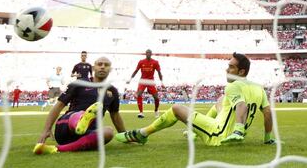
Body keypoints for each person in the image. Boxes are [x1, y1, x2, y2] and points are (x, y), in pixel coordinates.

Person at [115, 52, 275, 147]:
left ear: (241, 72)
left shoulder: (233, 86)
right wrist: (268, 139)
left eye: (231, 67)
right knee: (221, 101)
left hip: (219, 136)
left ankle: (142, 134)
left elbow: (241, 106)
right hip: (231, 133)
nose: (227, 69)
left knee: (177, 109)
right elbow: (268, 113)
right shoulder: (258, 88)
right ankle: (194, 132)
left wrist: (238, 129)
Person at [33, 57, 126, 154]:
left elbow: (115, 114)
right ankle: (81, 120)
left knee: (108, 132)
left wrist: (124, 136)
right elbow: (59, 105)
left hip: (88, 133)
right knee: (80, 114)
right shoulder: (79, 83)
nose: (102, 67)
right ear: (93, 68)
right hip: (66, 127)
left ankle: (57, 149)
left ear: (110, 69)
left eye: (106, 65)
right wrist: (46, 129)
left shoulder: (113, 91)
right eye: (100, 64)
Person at [127, 49, 163, 118]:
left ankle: (156, 110)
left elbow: (159, 72)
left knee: (156, 97)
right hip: (142, 81)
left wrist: (161, 82)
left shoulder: (155, 62)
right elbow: (136, 71)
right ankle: (141, 112)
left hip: (150, 81)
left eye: (149, 53)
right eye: (147, 53)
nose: (148, 54)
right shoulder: (141, 62)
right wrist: (130, 79)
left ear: (151, 54)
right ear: (145, 54)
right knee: (139, 94)